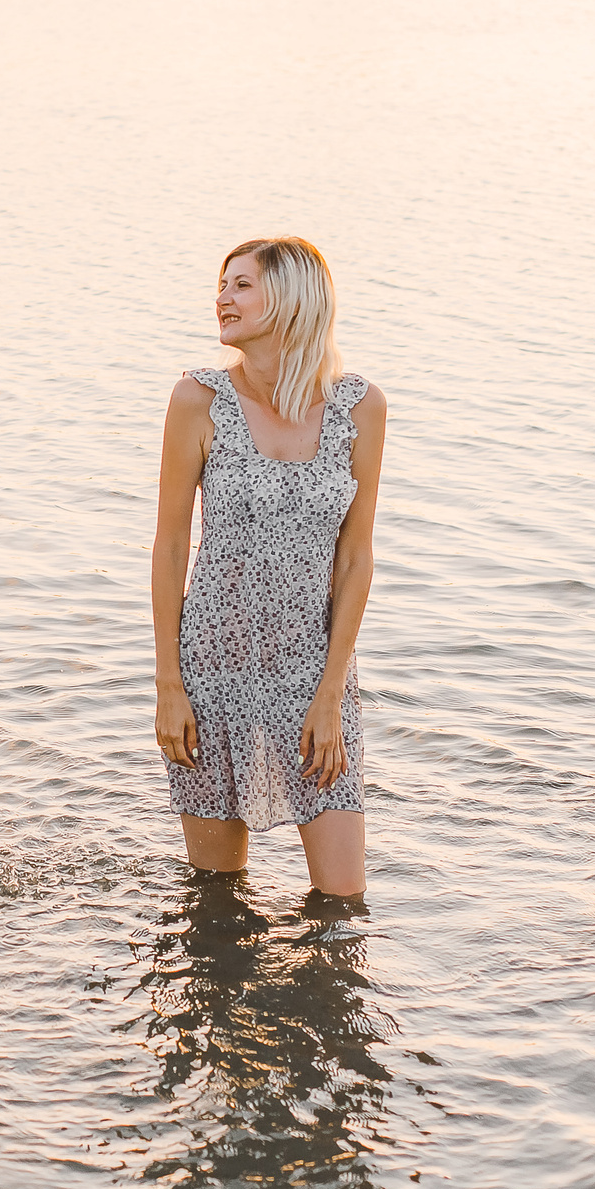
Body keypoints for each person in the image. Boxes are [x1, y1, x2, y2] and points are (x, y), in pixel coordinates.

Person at [151, 237, 386, 897]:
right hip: (211, 670)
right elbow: (171, 546)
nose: (222, 296)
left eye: (241, 284)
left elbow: (356, 554)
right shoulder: (197, 401)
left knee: (343, 902)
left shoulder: (360, 408)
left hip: (311, 672)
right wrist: (170, 684)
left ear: (291, 298)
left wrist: (332, 693)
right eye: (222, 284)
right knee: (218, 903)